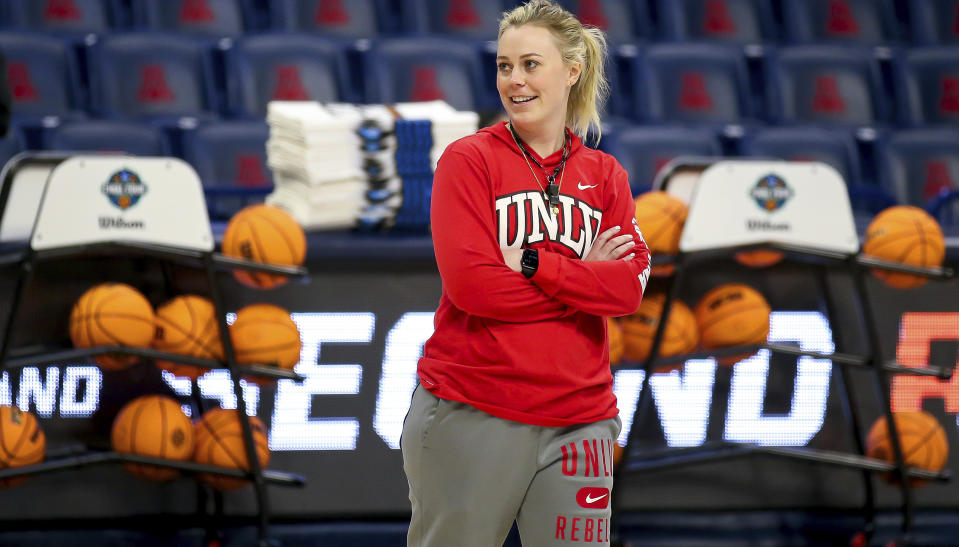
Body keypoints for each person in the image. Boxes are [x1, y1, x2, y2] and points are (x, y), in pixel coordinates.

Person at [401, 1, 651, 545]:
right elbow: (475, 290)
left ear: (572, 70)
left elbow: (629, 289)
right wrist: (585, 281)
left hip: (582, 418)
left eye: (530, 64)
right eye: (503, 65)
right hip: (474, 409)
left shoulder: (606, 175)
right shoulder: (467, 162)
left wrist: (539, 265)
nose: (514, 80)